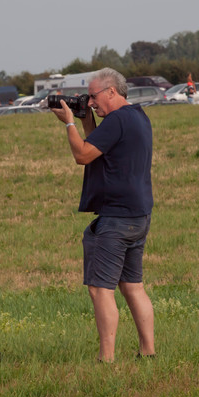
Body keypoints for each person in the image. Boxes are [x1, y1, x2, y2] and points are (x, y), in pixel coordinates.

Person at [50, 67, 155, 363]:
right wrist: (86, 119)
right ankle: (148, 352)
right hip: (138, 215)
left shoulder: (118, 119)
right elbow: (100, 148)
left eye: (93, 96)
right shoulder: (137, 116)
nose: (91, 102)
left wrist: (69, 124)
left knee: (100, 289)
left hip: (116, 219)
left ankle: (105, 359)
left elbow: (83, 155)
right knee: (133, 287)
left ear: (112, 91)